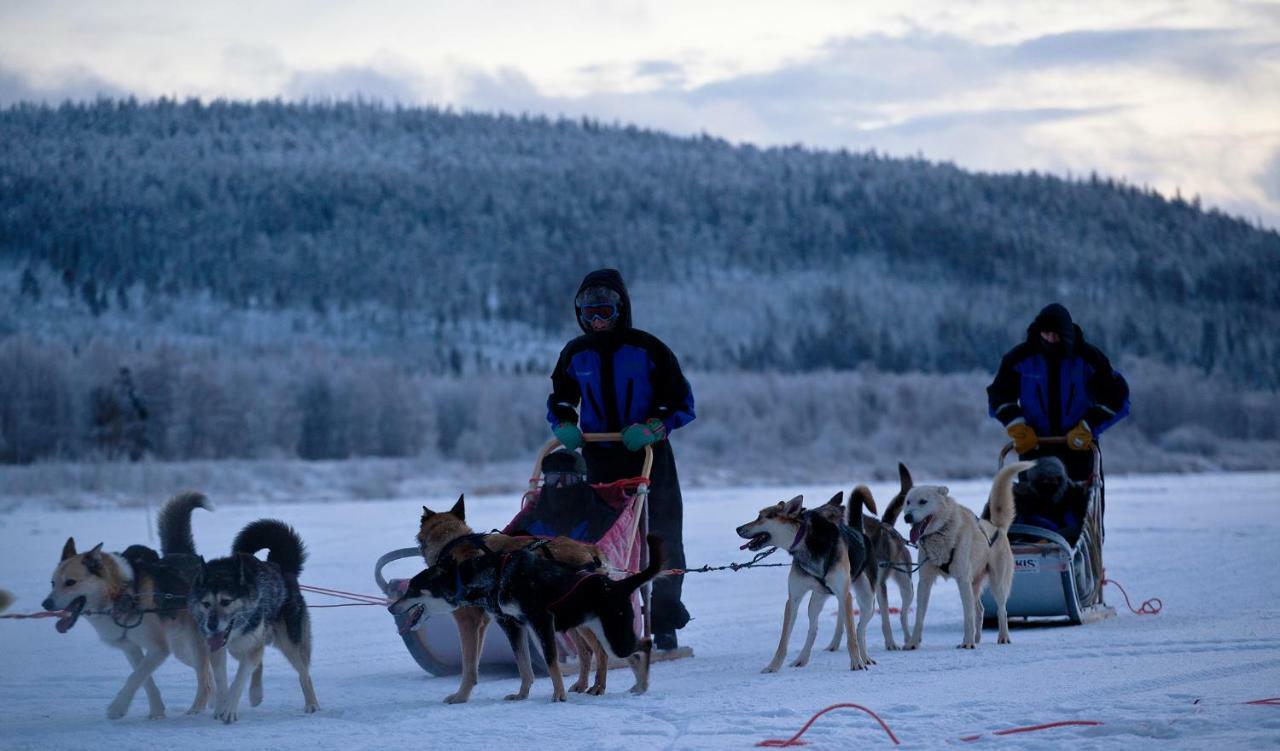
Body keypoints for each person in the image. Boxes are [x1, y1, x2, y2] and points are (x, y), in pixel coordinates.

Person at [546, 269, 695, 651]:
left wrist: (655, 426)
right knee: (600, 538)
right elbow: (562, 397)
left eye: (605, 312)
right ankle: (600, 612)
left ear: (620, 310)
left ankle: (664, 620)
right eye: (589, 313)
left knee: (661, 534)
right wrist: (563, 423)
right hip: (599, 454)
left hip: (648, 453)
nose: (597, 321)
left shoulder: (648, 349)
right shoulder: (575, 353)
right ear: (580, 314)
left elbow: (681, 402)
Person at [986, 303, 1131, 484]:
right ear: (1038, 331)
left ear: (1067, 333)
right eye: (1046, 333)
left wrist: (1088, 426)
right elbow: (999, 396)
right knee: (1031, 507)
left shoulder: (1089, 359)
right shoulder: (1019, 359)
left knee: (1080, 507)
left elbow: (1117, 397)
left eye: (1056, 335)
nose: (1051, 339)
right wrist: (1017, 425)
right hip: (1034, 445)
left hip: (1079, 448)